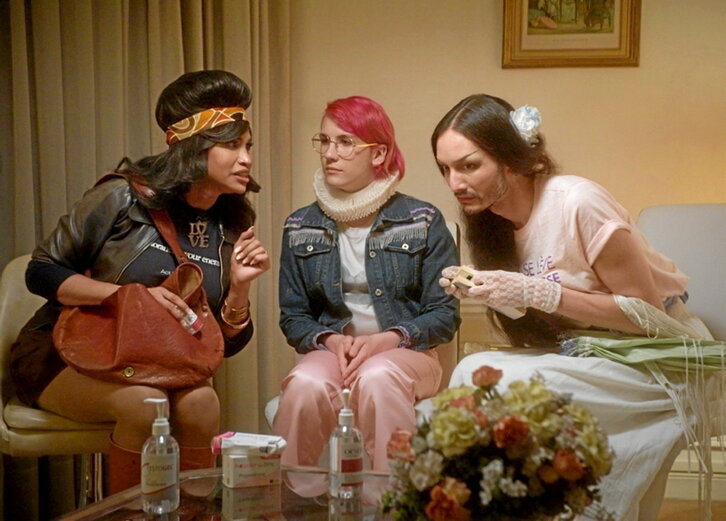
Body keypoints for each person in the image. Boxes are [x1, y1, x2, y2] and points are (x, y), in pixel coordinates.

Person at [433, 94, 715, 521]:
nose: (455, 183)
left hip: (660, 356)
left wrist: (537, 293)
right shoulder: (491, 223)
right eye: (445, 169)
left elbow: (649, 317)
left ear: (511, 160)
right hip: (585, 349)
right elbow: (545, 315)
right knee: (472, 373)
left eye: (469, 166)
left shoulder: (578, 202)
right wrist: (494, 294)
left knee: (517, 386)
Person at [10, 70, 270, 493]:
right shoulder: (122, 197)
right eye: (232, 145)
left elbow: (226, 344)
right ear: (194, 146)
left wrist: (240, 287)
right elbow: (41, 270)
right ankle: (131, 515)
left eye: (248, 146)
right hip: (65, 351)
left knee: (203, 401)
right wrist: (130, 297)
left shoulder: (231, 223)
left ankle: (194, 514)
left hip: (159, 362)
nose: (246, 159)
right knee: (146, 404)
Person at [273, 96, 460, 472]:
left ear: (378, 153)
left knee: (377, 377)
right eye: (324, 141)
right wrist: (331, 340)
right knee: (304, 384)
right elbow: (293, 317)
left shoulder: (422, 220)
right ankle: (293, 496)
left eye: (345, 142)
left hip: (407, 354)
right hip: (333, 355)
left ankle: (389, 498)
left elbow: (444, 314)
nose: (330, 153)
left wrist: (387, 339)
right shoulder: (300, 226)